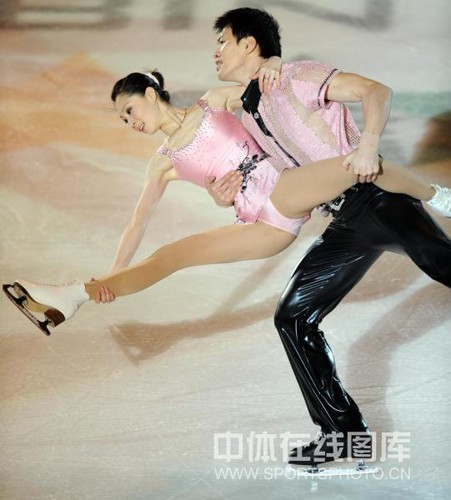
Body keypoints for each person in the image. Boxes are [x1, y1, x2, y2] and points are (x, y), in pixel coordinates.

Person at [3, 66, 450, 462]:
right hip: (260, 223)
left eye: (130, 109)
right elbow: (137, 223)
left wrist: (272, 64)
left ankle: (438, 196)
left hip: (286, 192)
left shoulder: (212, 103)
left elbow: (266, 96)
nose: (130, 122)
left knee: (364, 175)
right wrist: (112, 277)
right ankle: (75, 296)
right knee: (174, 255)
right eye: (123, 119)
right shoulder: (162, 163)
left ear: (152, 94)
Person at [207, 7, 451, 465]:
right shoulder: (249, 112)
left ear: (249, 43)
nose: (215, 51)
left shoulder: (295, 77)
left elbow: (376, 90)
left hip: (378, 196)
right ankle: (344, 436)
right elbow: (267, 176)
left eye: (223, 40)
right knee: (293, 317)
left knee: (445, 265)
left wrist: (369, 145)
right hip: (344, 222)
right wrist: (228, 192)